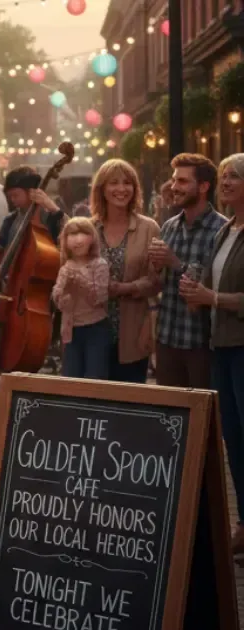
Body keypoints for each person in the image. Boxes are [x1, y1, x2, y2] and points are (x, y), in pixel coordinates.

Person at [179, 152, 244, 555]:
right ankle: (243, 521)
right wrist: (195, 291)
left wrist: (212, 297)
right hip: (220, 346)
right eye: (221, 176)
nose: (224, 182)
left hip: (243, 349)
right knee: (233, 439)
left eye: (232, 176)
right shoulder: (228, 230)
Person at [148, 153, 227, 388]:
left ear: (203, 186)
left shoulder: (222, 229)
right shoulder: (169, 227)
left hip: (201, 343)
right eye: (174, 180)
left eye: (182, 181)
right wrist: (156, 265)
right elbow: (159, 282)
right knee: (169, 414)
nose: (174, 187)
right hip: (167, 338)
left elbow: (216, 286)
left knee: (204, 417)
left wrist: (174, 263)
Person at [86, 159, 160, 383]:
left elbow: (157, 280)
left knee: (129, 402)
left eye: (127, 183)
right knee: (94, 401)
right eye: (114, 183)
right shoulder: (88, 228)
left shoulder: (149, 228)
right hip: (92, 332)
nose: (121, 189)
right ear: (102, 189)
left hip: (134, 331)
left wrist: (124, 288)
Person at [0, 166, 67, 281]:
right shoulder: (11, 219)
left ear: (31, 192)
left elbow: (71, 229)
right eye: (10, 196)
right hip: (14, 281)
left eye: (16, 195)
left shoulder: (51, 215)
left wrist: (52, 207)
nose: (12, 199)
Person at [51, 218, 111, 379]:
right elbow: (58, 300)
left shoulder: (99, 265)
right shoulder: (66, 267)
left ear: (92, 238)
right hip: (71, 331)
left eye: (83, 233)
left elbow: (99, 299)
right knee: (71, 377)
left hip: (95, 328)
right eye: (72, 234)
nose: (78, 239)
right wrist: (61, 297)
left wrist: (79, 282)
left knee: (95, 377)